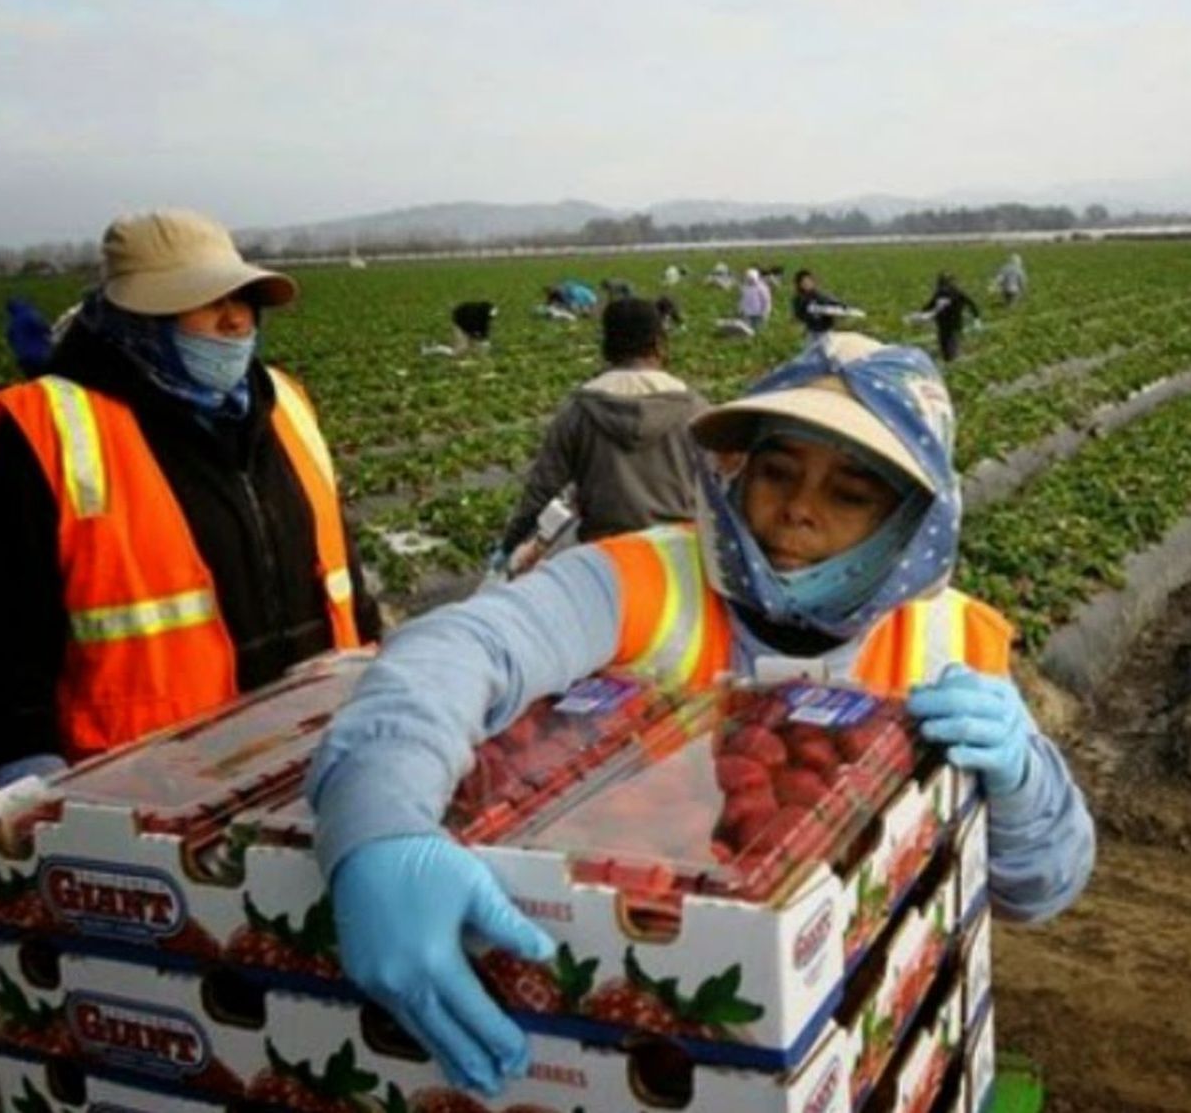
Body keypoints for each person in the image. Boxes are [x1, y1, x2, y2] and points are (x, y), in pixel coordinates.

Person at [308, 333, 1094, 1097]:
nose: (796, 512)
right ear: (736, 473)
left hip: (856, 1022)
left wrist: (1025, 782)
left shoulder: (950, 640)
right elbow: (462, 648)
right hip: (635, 1005)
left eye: (850, 493)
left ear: (910, 523)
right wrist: (378, 818)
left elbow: (1037, 887)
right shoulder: (640, 577)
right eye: (776, 472)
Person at [0, 209, 381, 786]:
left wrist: (377, 666)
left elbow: (342, 567)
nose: (235, 321)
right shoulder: (56, 430)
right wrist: (22, 745)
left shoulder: (285, 406)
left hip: (310, 743)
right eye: (209, 303)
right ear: (141, 316)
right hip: (147, 779)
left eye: (244, 300)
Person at [491, 297, 707, 575]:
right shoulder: (695, 409)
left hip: (605, 560)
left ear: (607, 348)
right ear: (658, 344)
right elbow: (723, 485)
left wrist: (510, 544)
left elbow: (541, 490)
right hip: (677, 556)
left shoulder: (579, 410)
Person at [910, 272, 982, 363]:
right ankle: (949, 359)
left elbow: (971, 304)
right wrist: (919, 315)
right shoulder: (939, 294)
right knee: (943, 345)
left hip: (954, 324)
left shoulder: (957, 293)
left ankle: (955, 359)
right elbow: (929, 305)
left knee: (952, 345)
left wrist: (976, 319)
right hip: (942, 325)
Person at [792, 268, 861, 341]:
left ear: (813, 281)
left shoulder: (821, 296)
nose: (806, 283)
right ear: (799, 284)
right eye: (803, 282)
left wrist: (845, 308)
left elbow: (835, 303)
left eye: (808, 281)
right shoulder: (798, 300)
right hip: (811, 332)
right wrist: (809, 314)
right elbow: (798, 315)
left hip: (826, 333)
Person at [738, 267, 773, 333]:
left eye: (751, 278)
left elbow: (767, 301)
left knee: (758, 331)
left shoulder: (762, 287)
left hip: (758, 314)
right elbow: (742, 300)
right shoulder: (745, 287)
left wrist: (765, 312)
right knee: (748, 331)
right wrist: (740, 310)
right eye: (748, 278)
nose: (750, 280)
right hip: (747, 314)